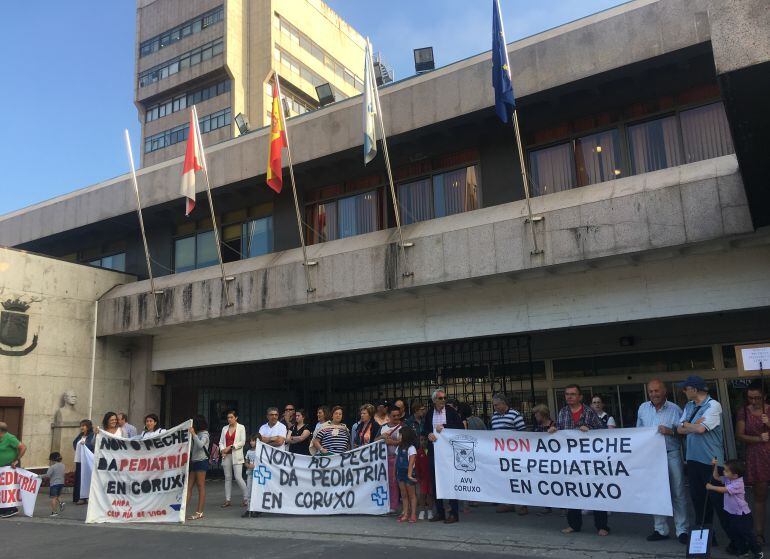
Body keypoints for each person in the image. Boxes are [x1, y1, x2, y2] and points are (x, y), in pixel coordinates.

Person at [549, 384, 608, 536]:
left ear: (580, 397)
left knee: (595, 491)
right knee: (572, 492)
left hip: (589, 461)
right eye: (567, 394)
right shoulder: (563, 412)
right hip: (570, 461)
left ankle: (602, 526)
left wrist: (590, 431)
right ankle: (574, 525)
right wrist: (553, 430)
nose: (569, 396)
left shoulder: (589, 411)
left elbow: (602, 432)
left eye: (573, 394)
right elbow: (559, 430)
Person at [636, 379, 689, 544]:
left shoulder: (675, 409)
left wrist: (671, 431)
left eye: (656, 391)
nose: (653, 394)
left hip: (671, 454)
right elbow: (638, 432)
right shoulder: (642, 408)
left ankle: (682, 530)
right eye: (651, 391)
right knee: (656, 493)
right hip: (651, 457)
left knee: (678, 492)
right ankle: (660, 529)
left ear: (664, 391)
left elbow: (685, 432)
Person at [676, 375, 728, 539]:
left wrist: (688, 425)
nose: (684, 391)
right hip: (692, 460)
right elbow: (679, 429)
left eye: (686, 388)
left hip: (711, 461)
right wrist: (691, 425)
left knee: (718, 502)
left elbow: (700, 430)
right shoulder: (689, 405)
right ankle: (705, 539)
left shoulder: (714, 405)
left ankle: (738, 540)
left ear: (694, 389)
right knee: (698, 501)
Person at [706, 458, 764, 558]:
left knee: (747, 534)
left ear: (735, 475)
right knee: (736, 533)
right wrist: (714, 466)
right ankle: (743, 550)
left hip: (742, 515)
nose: (724, 472)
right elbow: (716, 477)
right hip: (732, 513)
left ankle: (757, 551)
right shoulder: (729, 478)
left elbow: (724, 490)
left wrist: (711, 487)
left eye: (726, 471)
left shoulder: (738, 484)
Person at [422, 387, 463, 524]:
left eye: (445, 398)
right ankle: (440, 511)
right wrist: (429, 434)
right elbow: (425, 429)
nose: (443, 400)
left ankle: (453, 513)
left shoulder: (451, 412)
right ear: (434, 400)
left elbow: (460, 428)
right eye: (440, 398)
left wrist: (444, 427)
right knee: (435, 481)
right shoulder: (429, 413)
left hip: (449, 453)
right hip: (434, 451)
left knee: (451, 480)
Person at [736, 380, 769, 544]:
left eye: (757, 398)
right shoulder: (744, 412)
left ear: (765, 396)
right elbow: (740, 435)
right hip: (756, 456)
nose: (754, 401)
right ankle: (759, 533)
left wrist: (768, 423)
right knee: (759, 496)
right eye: (751, 398)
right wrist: (758, 438)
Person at [491, 393, 527, 514]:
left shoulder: (515, 415)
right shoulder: (494, 416)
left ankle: (523, 505)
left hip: (515, 454)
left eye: (496, 405)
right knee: (504, 478)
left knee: (518, 478)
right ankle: (508, 503)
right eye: (494, 405)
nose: (494, 407)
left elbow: (523, 433)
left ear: (503, 403)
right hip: (501, 454)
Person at [218, 410, 247, 508]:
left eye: (231, 417)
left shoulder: (241, 427)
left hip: (236, 455)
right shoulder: (224, 428)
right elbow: (221, 442)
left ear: (236, 417)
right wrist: (223, 450)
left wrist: (230, 447)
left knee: (238, 477)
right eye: (228, 417)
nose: (229, 419)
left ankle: (247, 498)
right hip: (226, 456)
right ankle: (227, 500)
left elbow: (242, 442)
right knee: (227, 478)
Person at [379, 405, 404, 513]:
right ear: (389, 416)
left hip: (401, 459)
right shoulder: (383, 427)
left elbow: (406, 441)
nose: (396, 417)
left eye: (398, 415)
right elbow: (374, 440)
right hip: (385, 460)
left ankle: (403, 507)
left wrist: (390, 442)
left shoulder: (404, 427)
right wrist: (382, 437)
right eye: (394, 416)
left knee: (402, 484)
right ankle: (392, 506)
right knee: (391, 483)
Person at [0, 421, 26, 518]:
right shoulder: (1, 438)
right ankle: (2, 508)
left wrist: (16, 460)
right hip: (1, 468)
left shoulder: (10, 438)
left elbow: (23, 447)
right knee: (2, 489)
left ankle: (12, 509)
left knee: (9, 488)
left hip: (9, 467)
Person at [187, 415, 209, 521]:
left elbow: (200, 445)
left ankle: (199, 512)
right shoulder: (198, 434)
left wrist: (193, 434)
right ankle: (183, 509)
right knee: (189, 486)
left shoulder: (205, 434)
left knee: (200, 486)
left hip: (201, 461)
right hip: (195, 461)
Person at [396, 425, 419, 523]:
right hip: (400, 473)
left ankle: (413, 514)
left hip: (408, 473)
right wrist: (394, 473)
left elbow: (411, 463)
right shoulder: (399, 447)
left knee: (412, 495)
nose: (398, 436)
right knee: (404, 495)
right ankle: (405, 513)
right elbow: (396, 462)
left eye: (400, 435)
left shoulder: (411, 448)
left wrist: (409, 475)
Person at [72, 419, 95, 505]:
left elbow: (91, 445)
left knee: (87, 478)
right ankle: (79, 497)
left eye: (83, 426)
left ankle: (87, 497)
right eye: (81, 425)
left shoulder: (92, 435)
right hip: (79, 460)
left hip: (87, 461)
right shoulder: (80, 435)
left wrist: (84, 446)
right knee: (79, 479)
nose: (81, 427)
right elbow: (74, 443)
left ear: (88, 427)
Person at [415, 434, 435, 520]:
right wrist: (418, 477)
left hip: (431, 478)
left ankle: (430, 511)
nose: (423, 442)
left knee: (430, 495)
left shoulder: (432, 451)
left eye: (425, 440)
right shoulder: (418, 452)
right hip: (422, 478)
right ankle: (422, 511)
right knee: (422, 495)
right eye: (421, 440)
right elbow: (417, 466)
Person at [41, 452, 65, 517]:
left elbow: (48, 475)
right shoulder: (63, 465)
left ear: (53, 460)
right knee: (58, 496)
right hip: (61, 483)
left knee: (54, 498)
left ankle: (54, 512)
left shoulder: (52, 467)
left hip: (54, 484)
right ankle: (61, 503)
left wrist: (39, 476)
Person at [242, 435, 260, 518]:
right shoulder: (249, 451)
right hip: (250, 474)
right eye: (251, 441)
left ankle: (256, 509)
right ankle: (249, 509)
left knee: (256, 492)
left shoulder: (260, 451)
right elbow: (246, 462)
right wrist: (249, 466)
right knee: (249, 491)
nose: (252, 442)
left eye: (254, 440)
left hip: (259, 475)